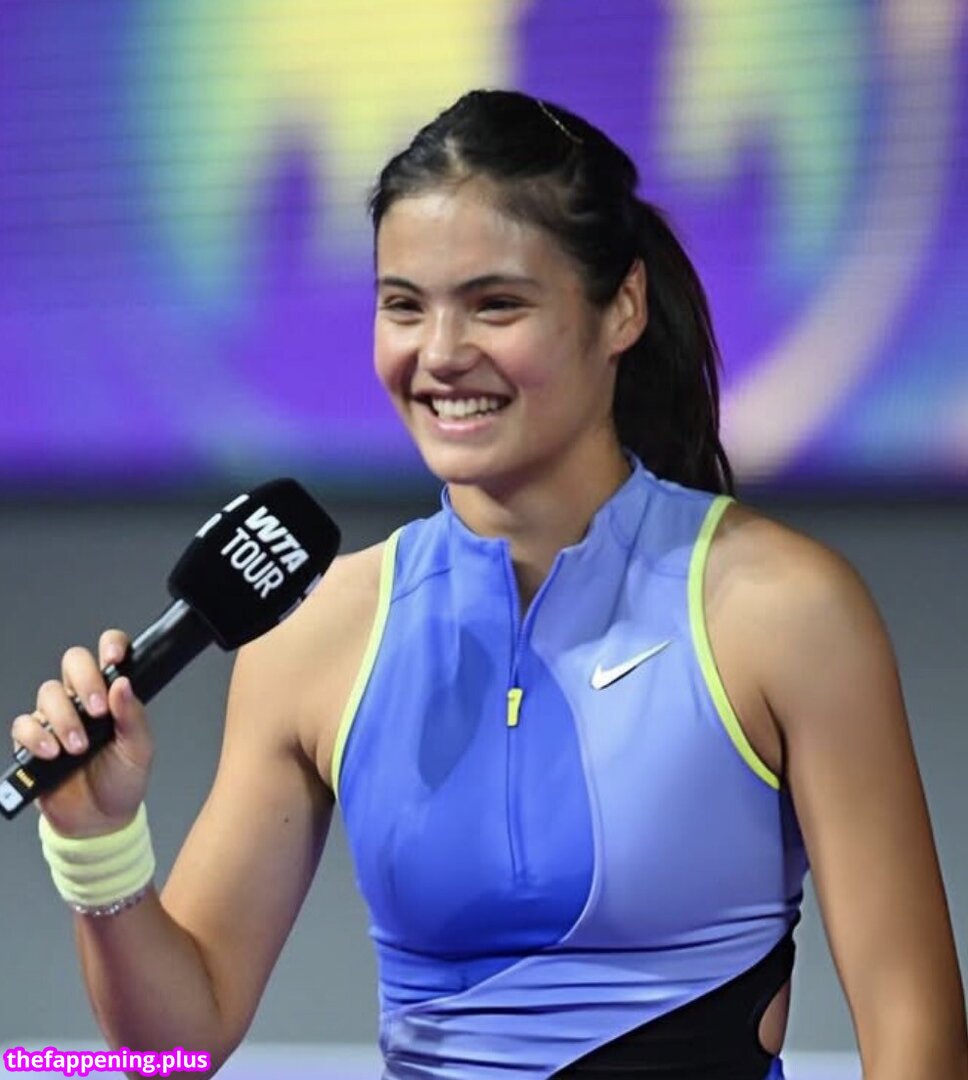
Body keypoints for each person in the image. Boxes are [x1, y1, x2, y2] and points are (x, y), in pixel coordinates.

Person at [11, 89, 967, 1080]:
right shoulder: (314, 638)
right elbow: (175, 1045)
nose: (438, 354)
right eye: (403, 306)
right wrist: (99, 843)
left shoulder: (784, 610)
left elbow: (916, 1033)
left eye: (495, 304)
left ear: (621, 309)